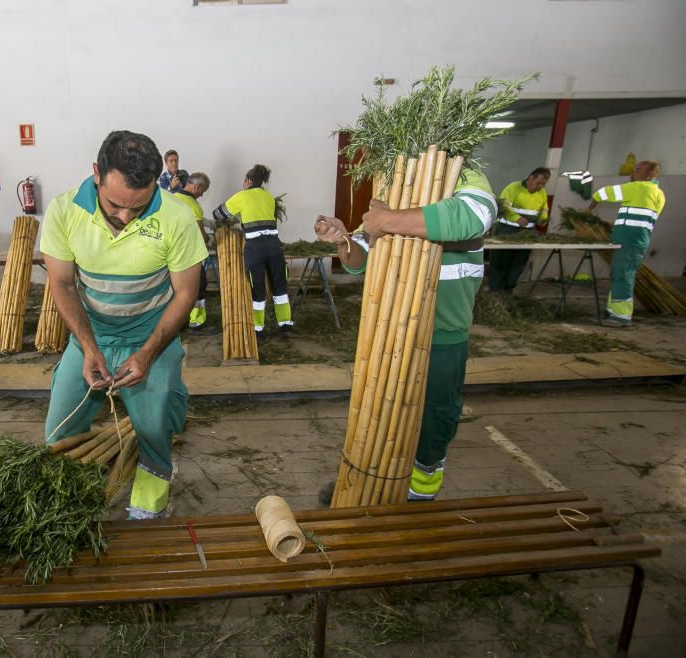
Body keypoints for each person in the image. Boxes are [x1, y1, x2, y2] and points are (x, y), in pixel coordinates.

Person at [40, 130, 207, 520]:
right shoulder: (65, 211)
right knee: (59, 432)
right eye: (116, 205)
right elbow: (62, 284)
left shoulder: (176, 215)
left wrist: (149, 353)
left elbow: (184, 294)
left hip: (152, 339)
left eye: (138, 207)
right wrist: (88, 346)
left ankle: (147, 512)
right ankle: (69, 508)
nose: (125, 216)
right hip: (91, 336)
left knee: (154, 429)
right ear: (96, 174)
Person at [315, 168, 496, 503]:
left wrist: (387, 220)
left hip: (442, 333)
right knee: (379, 410)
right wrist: (344, 239)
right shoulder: (399, 180)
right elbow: (360, 262)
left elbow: (475, 215)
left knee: (434, 416)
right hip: (390, 327)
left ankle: (420, 492)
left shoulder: (463, 173)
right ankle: (369, 482)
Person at [212, 164, 293, 337]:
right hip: (274, 246)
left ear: (248, 180)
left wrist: (241, 197)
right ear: (263, 181)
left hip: (255, 248)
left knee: (257, 288)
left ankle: (258, 329)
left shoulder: (242, 196)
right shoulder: (269, 197)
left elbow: (218, 214)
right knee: (279, 285)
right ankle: (285, 324)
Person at [588, 160, 665, 327]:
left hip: (629, 240)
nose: (633, 173)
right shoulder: (659, 194)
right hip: (638, 240)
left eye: (638, 170)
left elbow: (603, 193)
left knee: (623, 275)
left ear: (650, 175)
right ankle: (613, 310)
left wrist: (589, 209)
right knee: (621, 274)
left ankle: (621, 316)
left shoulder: (639, 187)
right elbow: (640, 217)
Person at [487, 168, 550, 293]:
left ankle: (508, 290)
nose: (540, 186)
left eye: (543, 184)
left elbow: (544, 210)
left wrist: (543, 220)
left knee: (518, 263)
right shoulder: (513, 188)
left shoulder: (542, 193)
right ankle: (495, 292)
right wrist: (516, 218)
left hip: (527, 234)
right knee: (500, 261)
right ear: (530, 178)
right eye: (538, 183)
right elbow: (503, 207)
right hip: (506, 231)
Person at [173, 172, 212, 328]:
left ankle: (179, 322)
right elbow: (200, 235)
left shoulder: (173, 198)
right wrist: (209, 238)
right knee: (197, 288)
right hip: (190, 256)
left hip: (173, 255)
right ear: (196, 187)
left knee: (177, 290)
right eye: (203, 191)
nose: (202, 195)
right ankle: (196, 322)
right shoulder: (193, 205)